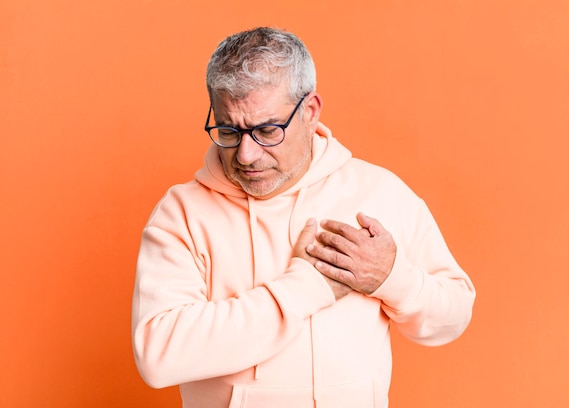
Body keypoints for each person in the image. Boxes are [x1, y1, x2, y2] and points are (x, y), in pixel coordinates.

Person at [132, 27, 475, 408]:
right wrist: (304, 288)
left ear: (310, 112)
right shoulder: (183, 212)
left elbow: (454, 315)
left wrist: (391, 278)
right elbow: (158, 355)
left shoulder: (379, 191)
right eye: (229, 130)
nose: (245, 154)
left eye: (266, 130)